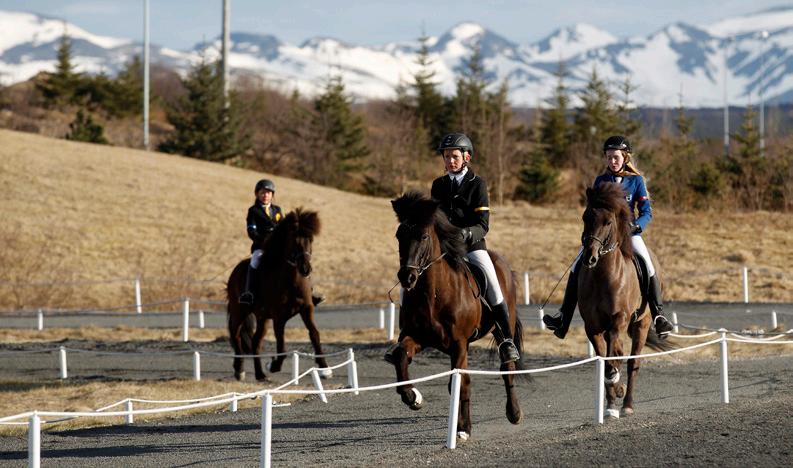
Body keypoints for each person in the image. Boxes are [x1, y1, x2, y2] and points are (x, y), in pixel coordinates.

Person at [542, 135, 674, 339]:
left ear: (625, 158)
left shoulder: (636, 181)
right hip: (603, 235)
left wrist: (635, 226)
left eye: (616, 157)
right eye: (609, 157)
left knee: (647, 264)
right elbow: (594, 211)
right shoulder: (601, 181)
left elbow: (646, 212)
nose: (612, 161)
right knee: (577, 266)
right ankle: (563, 317)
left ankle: (658, 315)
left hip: (629, 234)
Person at [430, 133, 520, 364]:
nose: (450, 161)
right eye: (447, 156)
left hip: (472, 246)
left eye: (455, 156)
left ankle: (506, 340)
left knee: (493, 283)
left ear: (466, 157)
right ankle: (407, 329)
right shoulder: (438, 185)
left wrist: (466, 233)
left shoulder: (477, 184)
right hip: (444, 249)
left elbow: (483, 225)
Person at [239, 179, 283, 305]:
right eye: (262, 192)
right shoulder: (253, 211)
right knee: (255, 261)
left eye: (268, 193)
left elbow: (283, 228)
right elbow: (251, 231)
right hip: (261, 247)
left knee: (298, 258)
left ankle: (309, 292)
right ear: (257, 194)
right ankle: (249, 292)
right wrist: (264, 242)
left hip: (278, 247)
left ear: (272, 195)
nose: (265, 195)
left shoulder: (277, 210)